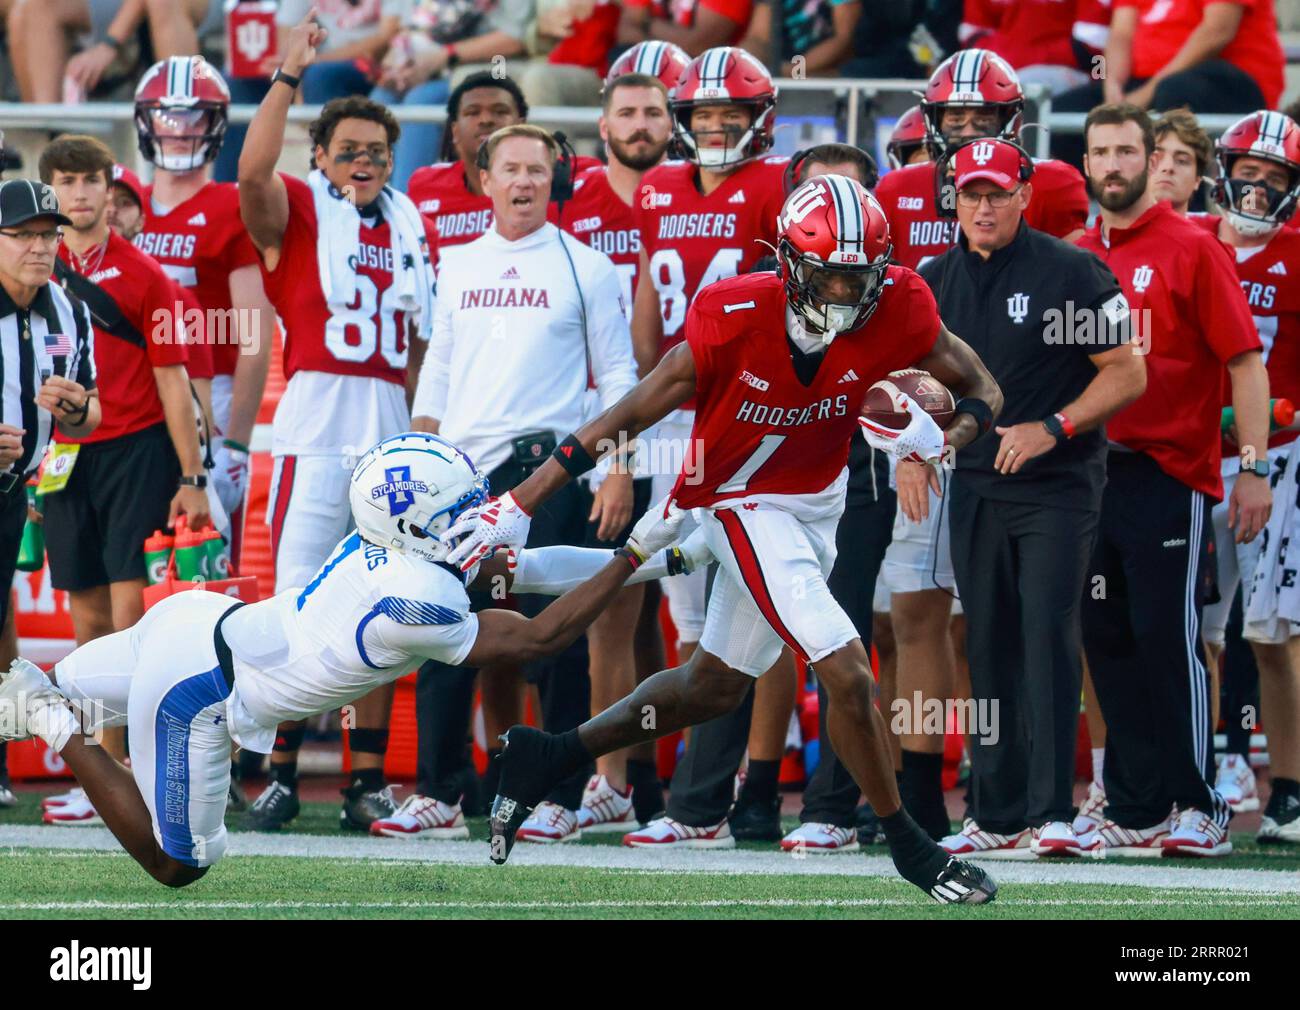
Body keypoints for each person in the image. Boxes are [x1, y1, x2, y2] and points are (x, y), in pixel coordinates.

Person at [452, 173, 1005, 905]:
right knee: (847, 671)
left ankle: (550, 754)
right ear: (789, 264)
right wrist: (521, 498)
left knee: (709, 688)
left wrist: (942, 438)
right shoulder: (734, 311)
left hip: (817, 504)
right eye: (830, 277)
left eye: (858, 278)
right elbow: (630, 411)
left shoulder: (901, 304)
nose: (845, 294)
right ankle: (911, 846)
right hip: (739, 501)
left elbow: (984, 391)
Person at [0, 431, 693, 887]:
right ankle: (59, 726)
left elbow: (530, 567)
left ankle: (35, 705)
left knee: (10, 709)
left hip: (195, 629)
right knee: (178, 862)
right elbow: (542, 637)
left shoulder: (397, 547)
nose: (478, 515)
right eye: (461, 508)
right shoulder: (416, 598)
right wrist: (633, 553)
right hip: (199, 690)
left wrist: (660, 560)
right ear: (418, 523)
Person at [397, 123, 636, 844]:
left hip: (549, 471)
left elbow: (620, 377)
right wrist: (420, 462)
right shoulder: (460, 263)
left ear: (555, 180)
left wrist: (618, 465)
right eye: (511, 170)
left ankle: (562, 791)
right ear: (485, 179)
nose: (525, 182)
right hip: (461, 477)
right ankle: (440, 790)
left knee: (556, 634)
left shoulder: (587, 266)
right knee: (440, 626)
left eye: (537, 169)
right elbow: (438, 368)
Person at [871, 48, 1089, 833]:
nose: (965, 135)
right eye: (952, 123)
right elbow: (888, 330)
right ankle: (926, 794)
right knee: (921, 615)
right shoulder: (896, 194)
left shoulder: (1057, 194)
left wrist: (1057, 420)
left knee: (1021, 623)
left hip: (1031, 454)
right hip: (929, 438)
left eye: (982, 123)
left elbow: (1086, 320)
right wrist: (904, 440)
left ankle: (1046, 793)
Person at [236, 14, 441, 833]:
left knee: (385, 611)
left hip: (387, 432)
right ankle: (279, 774)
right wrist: (288, 75)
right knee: (295, 609)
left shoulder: (408, 222)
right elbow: (253, 171)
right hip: (316, 430)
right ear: (318, 156)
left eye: (376, 151)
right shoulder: (300, 212)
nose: (363, 161)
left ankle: (364, 782)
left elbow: (422, 345)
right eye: (347, 149)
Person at [917, 138, 1146, 858]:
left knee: (1047, 634)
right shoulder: (933, 278)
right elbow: (910, 381)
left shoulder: (1072, 270)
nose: (982, 206)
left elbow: (1127, 370)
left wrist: (1055, 426)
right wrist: (913, 446)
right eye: (970, 192)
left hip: (1058, 482)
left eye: (996, 192)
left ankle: (1054, 812)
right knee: (984, 644)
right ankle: (994, 810)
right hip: (976, 481)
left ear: (1024, 195)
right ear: (953, 197)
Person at [1076, 103, 1271, 857]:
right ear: (1087, 163)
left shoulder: (1194, 246)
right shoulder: (1074, 253)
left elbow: (1244, 361)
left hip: (1169, 470)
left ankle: (1200, 802)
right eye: (1104, 152)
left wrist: (1250, 467)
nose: (1118, 164)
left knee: (1169, 635)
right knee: (1106, 635)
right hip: (1089, 473)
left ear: (1149, 158)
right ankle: (1134, 802)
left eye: (1131, 150)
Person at [619, 45, 791, 848]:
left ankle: (756, 784)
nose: (716, 129)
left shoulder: (777, 186)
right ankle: (704, 791)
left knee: (770, 602)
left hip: (752, 412)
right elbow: (650, 303)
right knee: (691, 610)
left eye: (730, 116)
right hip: (681, 412)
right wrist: (651, 394)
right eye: (705, 117)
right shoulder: (656, 187)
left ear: (759, 121)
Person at [555, 63, 678, 833]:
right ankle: (614, 778)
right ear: (604, 125)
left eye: (653, 112)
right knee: (615, 608)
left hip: (696, 412)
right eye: (627, 111)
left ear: (673, 123)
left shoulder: (699, 193)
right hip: (615, 414)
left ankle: (680, 781)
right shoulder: (577, 201)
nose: (640, 124)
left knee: (690, 612)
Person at [1191, 111, 1300, 843]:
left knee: (1271, 630)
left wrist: (1270, 423)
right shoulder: (1191, 242)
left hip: (1281, 456)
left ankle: (1288, 787)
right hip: (1195, 457)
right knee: (1195, 628)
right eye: (1249, 172)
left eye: (1276, 177)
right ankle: (1200, 775)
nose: (1257, 189)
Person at [132, 56, 276, 567]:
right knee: (131, 560)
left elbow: (255, 336)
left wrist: (236, 442)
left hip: (205, 397)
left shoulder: (230, 207)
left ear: (215, 125)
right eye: (167, 118)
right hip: (128, 399)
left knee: (201, 568)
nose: (178, 132)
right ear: (145, 122)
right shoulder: (126, 203)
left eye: (193, 119)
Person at [0, 181, 101, 635]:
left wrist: (77, 410)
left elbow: (88, 417)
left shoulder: (70, 310)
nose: (39, 247)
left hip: (12, 493)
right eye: (22, 235)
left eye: (49, 235)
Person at [738, 0, 861, 78]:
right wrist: (743, 61)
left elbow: (843, 38)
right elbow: (758, 37)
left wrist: (791, 70)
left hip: (829, 79)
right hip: (781, 78)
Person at [617, 0, 754, 54]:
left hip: (706, 81)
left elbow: (697, 46)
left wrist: (647, 23)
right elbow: (626, 33)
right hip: (649, 67)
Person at [1150, 109, 1212, 215]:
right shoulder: (1113, 228)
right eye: (1157, 157)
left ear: (1197, 180)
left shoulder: (1217, 229)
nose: (1168, 167)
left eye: (1182, 161)